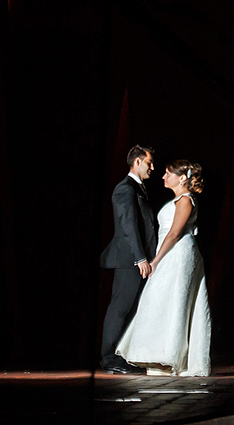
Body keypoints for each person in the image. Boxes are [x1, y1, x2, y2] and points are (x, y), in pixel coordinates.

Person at [115, 160, 212, 376]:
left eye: (168, 173)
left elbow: (175, 233)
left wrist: (156, 260)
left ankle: (168, 356)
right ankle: (156, 355)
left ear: (182, 178)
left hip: (178, 254)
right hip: (170, 253)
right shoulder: (178, 199)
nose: (163, 177)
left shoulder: (186, 200)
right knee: (159, 299)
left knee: (172, 299)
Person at [99, 145, 157, 375]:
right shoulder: (125, 189)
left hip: (137, 259)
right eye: (149, 162)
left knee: (130, 308)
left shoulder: (139, 188)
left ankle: (121, 355)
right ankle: (109, 358)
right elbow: (128, 225)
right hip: (128, 259)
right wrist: (140, 257)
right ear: (137, 163)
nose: (152, 167)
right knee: (119, 308)